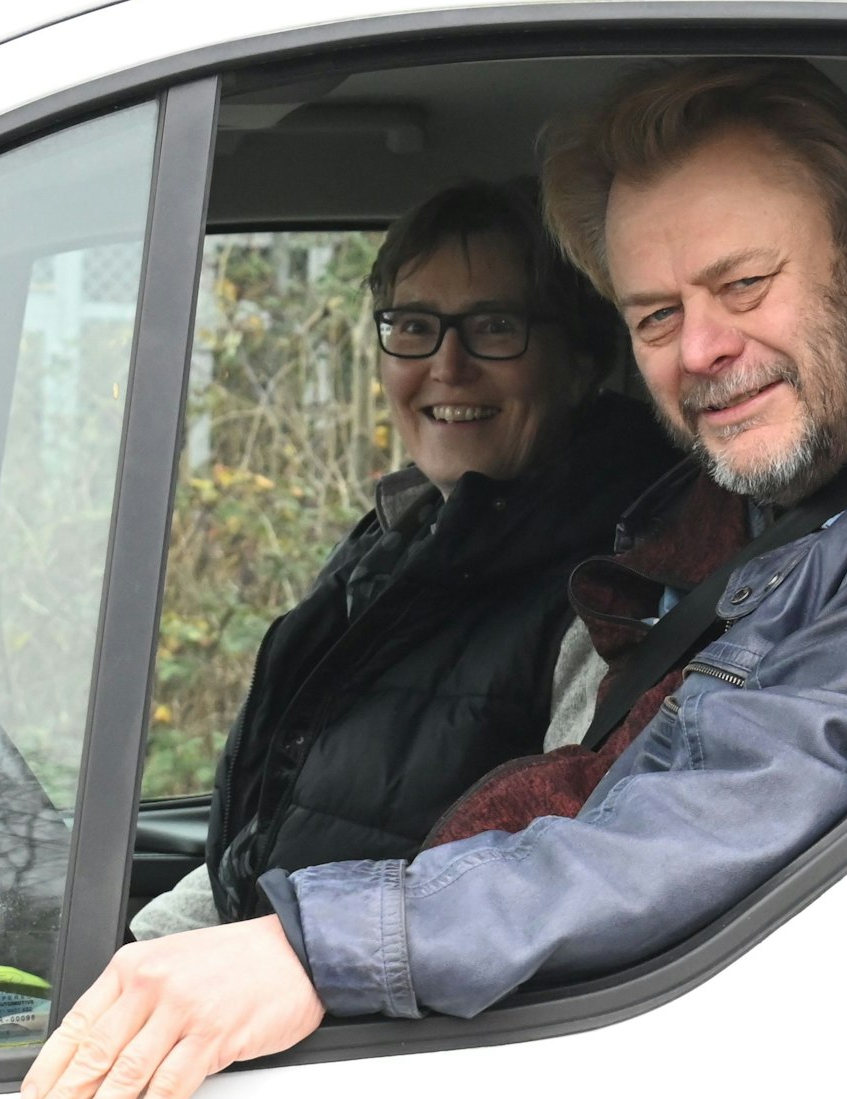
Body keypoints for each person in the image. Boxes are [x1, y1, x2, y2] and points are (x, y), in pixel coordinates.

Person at [21, 58, 847, 1099]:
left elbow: (714, 813)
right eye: (656, 314)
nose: (702, 348)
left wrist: (315, 946)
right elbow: (266, 826)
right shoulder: (698, 513)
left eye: (744, 285)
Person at [127, 180, 697, 940]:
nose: (446, 365)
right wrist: (137, 952)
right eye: (414, 326)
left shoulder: (606, 593)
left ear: (580, 360)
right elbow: (282, 838)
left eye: (495, 327)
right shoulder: (396, 541)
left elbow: (544, 895)